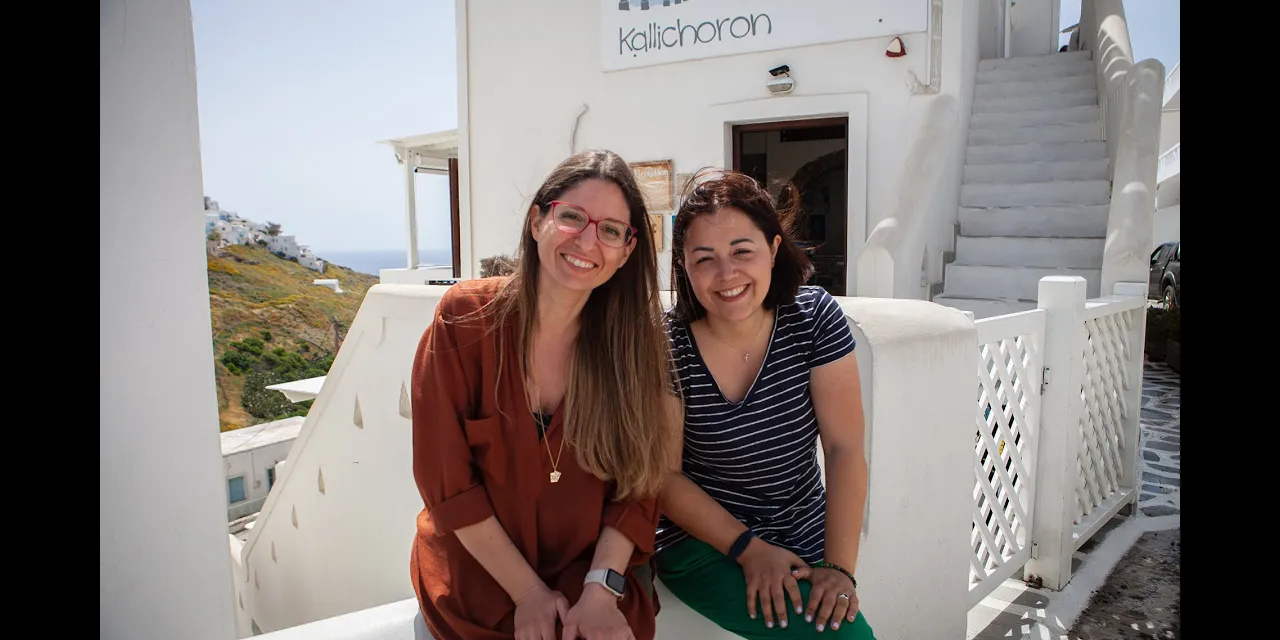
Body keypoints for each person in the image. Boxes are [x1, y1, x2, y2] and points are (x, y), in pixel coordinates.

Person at [409, 150, 679, 640]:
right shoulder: (466, 320)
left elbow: (639, 486)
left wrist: (600, 588)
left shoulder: (634, 346)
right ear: (538, 221)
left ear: (625, 251)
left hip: (589, 573)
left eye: (611, 230)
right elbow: (445, 483)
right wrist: (527, 594)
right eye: (572, 217)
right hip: (481, 575)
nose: (588, 241)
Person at [655, 169, 876, 639]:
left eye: (742, 251)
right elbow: (663, 476)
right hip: (703, 544)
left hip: (802, 534)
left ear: (774, 250)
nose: (726, 274)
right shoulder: (666, 343)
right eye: (704, 259)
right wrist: (749, 550)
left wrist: (839, 568)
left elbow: (844, 448)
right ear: (683, 266)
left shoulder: (813, 318)